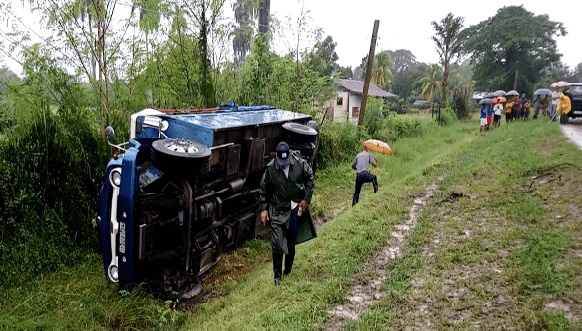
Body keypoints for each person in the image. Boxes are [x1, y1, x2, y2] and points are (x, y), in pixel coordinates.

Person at [259, 141, 317, 286]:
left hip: (295, 208)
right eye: (281, 161)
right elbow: (263, 189)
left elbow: (310, 179)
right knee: (277, 243)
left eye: (286, 161)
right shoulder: (271, 168)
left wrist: (306, 200)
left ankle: (288, 270)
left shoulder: (299, 163)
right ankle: (277, 277)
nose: (284, 163)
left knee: (291, 242)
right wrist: (264, 209)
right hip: (277, 210)